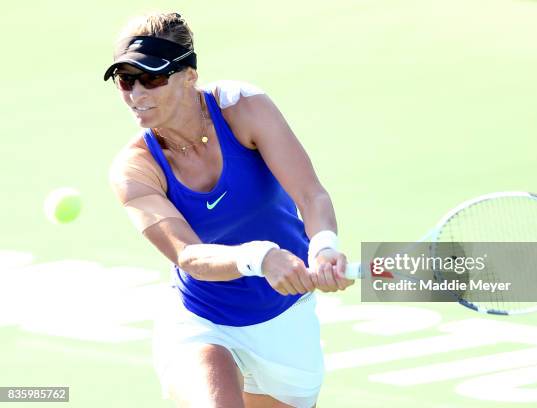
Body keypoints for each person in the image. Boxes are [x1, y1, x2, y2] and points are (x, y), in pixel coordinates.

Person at [105, 12, 353, 408]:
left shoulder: (244, 108)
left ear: (189, 75)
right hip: (202, 323)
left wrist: (323, 244)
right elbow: (188, 255)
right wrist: (260, 257)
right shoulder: (134, 170)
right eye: (125, 80)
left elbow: (311, 195)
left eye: (151, 78)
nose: (136, 94)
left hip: (286, 324)